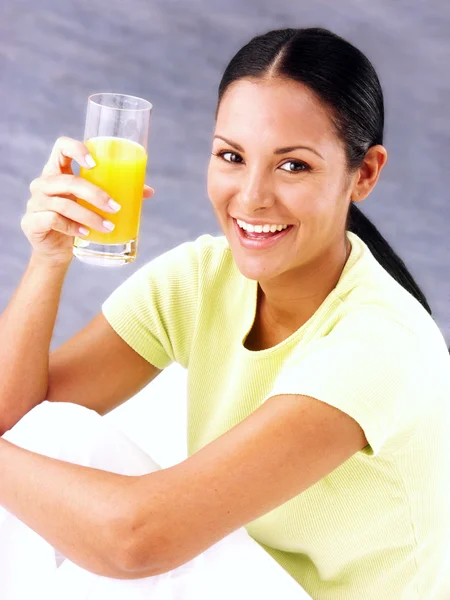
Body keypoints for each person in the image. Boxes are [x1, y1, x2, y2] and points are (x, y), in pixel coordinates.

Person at [0, 26, 449, 600]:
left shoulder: (382, 342)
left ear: (364, 173)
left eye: (293, 166)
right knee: (54, 434)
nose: (252, 196)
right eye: (232, 156)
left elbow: (138, 539)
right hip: (240, 575)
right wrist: (49, 258)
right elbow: (21, 425)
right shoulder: (201, 277)